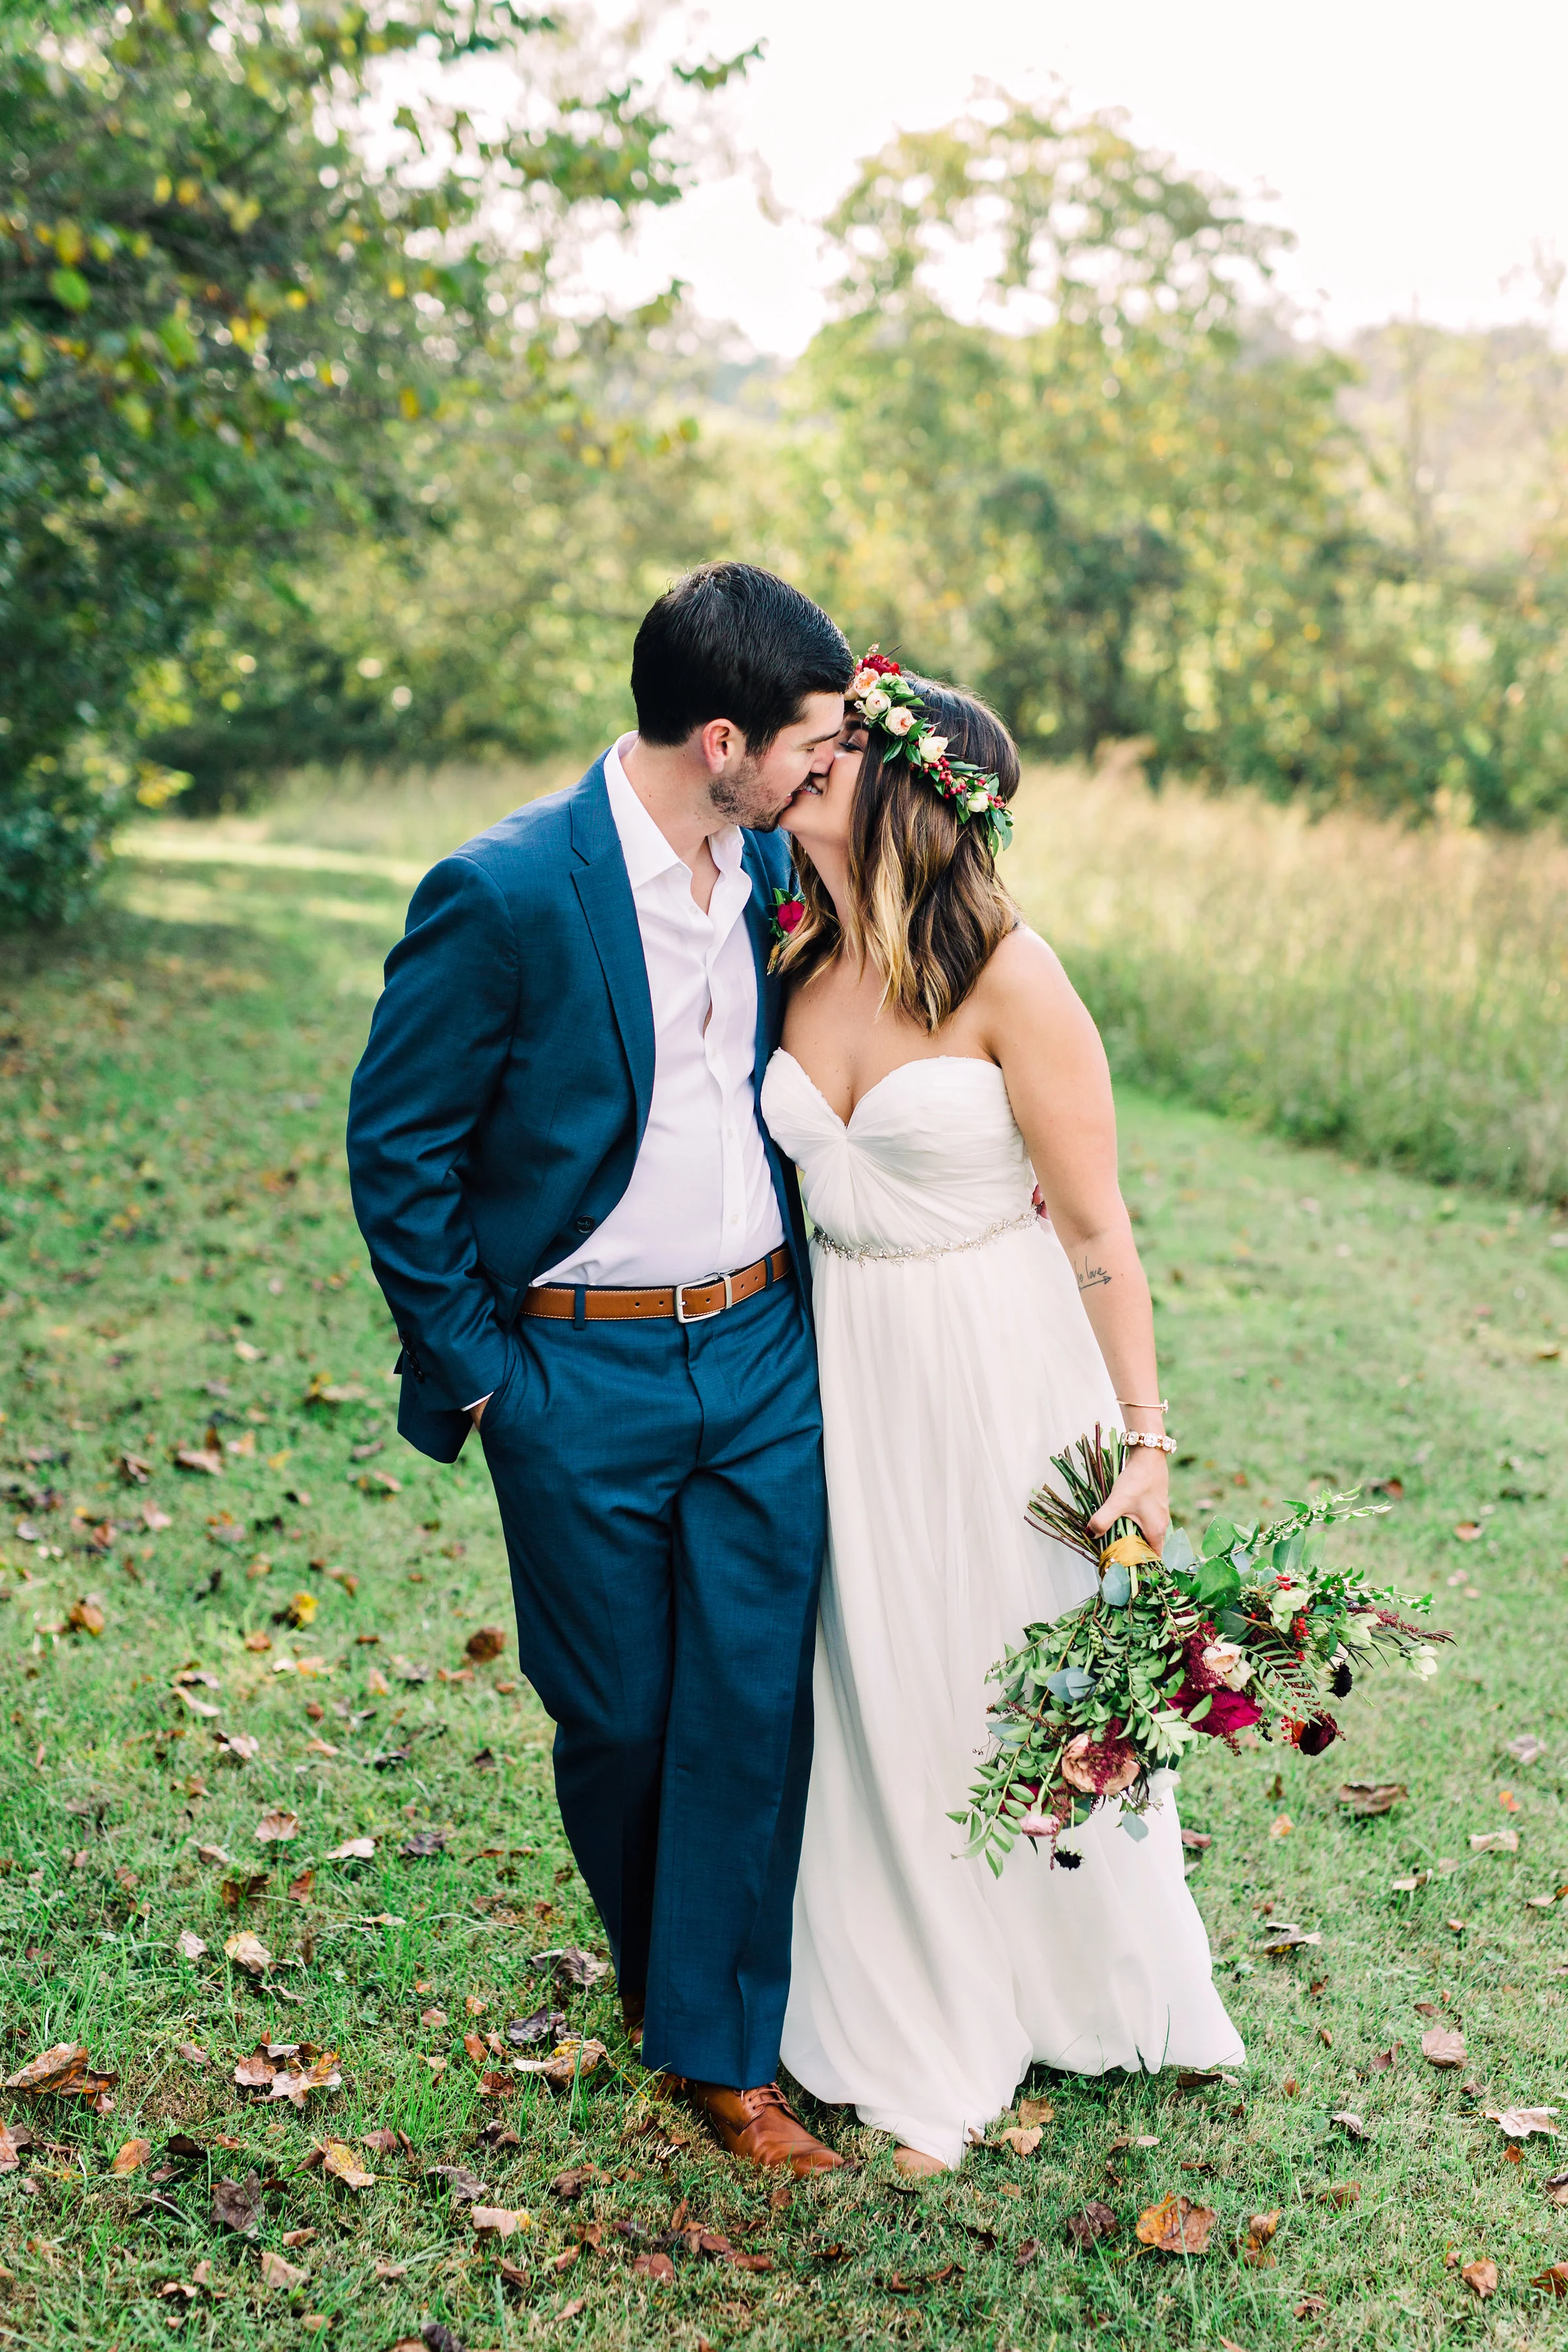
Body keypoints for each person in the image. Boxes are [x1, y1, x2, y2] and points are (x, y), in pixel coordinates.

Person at [346, 563, 855, 2176]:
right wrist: (493, 1381)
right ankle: (672, 1982)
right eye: (809, 746)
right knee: (623, 1715)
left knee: (752, 1703)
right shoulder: (503, 892)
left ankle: (731, 2055)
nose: (823, 772)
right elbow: (398, 1152)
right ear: (724, 740)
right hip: (578, 1380)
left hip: (766, 1347)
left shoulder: (773, 863)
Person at [761, 656, 1244, 2176]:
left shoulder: (1013, 976)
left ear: (913, 786)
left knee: (988, 1675)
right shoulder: (786, 953)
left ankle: (1035, 1990)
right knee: (872, 1679)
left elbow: (1099, 1230)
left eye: (843, 743)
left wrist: (1148, 1441)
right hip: (839, 1363)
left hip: (990, 1366)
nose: (813, 758)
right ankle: (896, 1997)